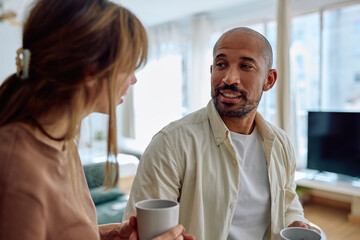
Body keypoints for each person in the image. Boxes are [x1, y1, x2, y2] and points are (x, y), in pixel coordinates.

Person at [0, 0, 194, 239]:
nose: (133, 80)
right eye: (127, 66)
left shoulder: (62, 141)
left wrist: (111, 233)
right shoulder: (15, 164)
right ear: (90, 69)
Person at [123, 27, 321, 239]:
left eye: (246, 66)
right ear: (211, 71)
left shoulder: (281, 143)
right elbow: (142, 231)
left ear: (269, 80)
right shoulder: (170, 144)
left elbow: (289, 202)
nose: (229, 78)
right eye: (221, 64)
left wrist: (295, 222)